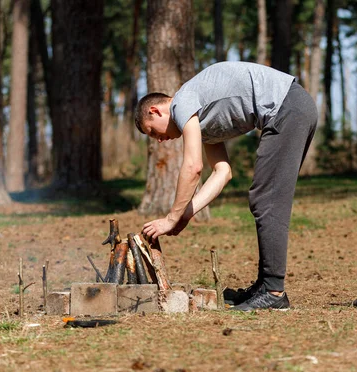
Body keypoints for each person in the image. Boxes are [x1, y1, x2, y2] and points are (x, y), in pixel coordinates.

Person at [136, 61, 317, 311]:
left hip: (288, 108)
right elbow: (222, 173)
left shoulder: (182, 102)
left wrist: (170, 218)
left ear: (155, 111)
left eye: (152, 132)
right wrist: (185, 215)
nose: (159, 140)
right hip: (292, 108)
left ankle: (274, 292)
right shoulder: (201, 121)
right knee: (265, 198)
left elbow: (193, 168)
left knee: (267, 199)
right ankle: (266, 286)